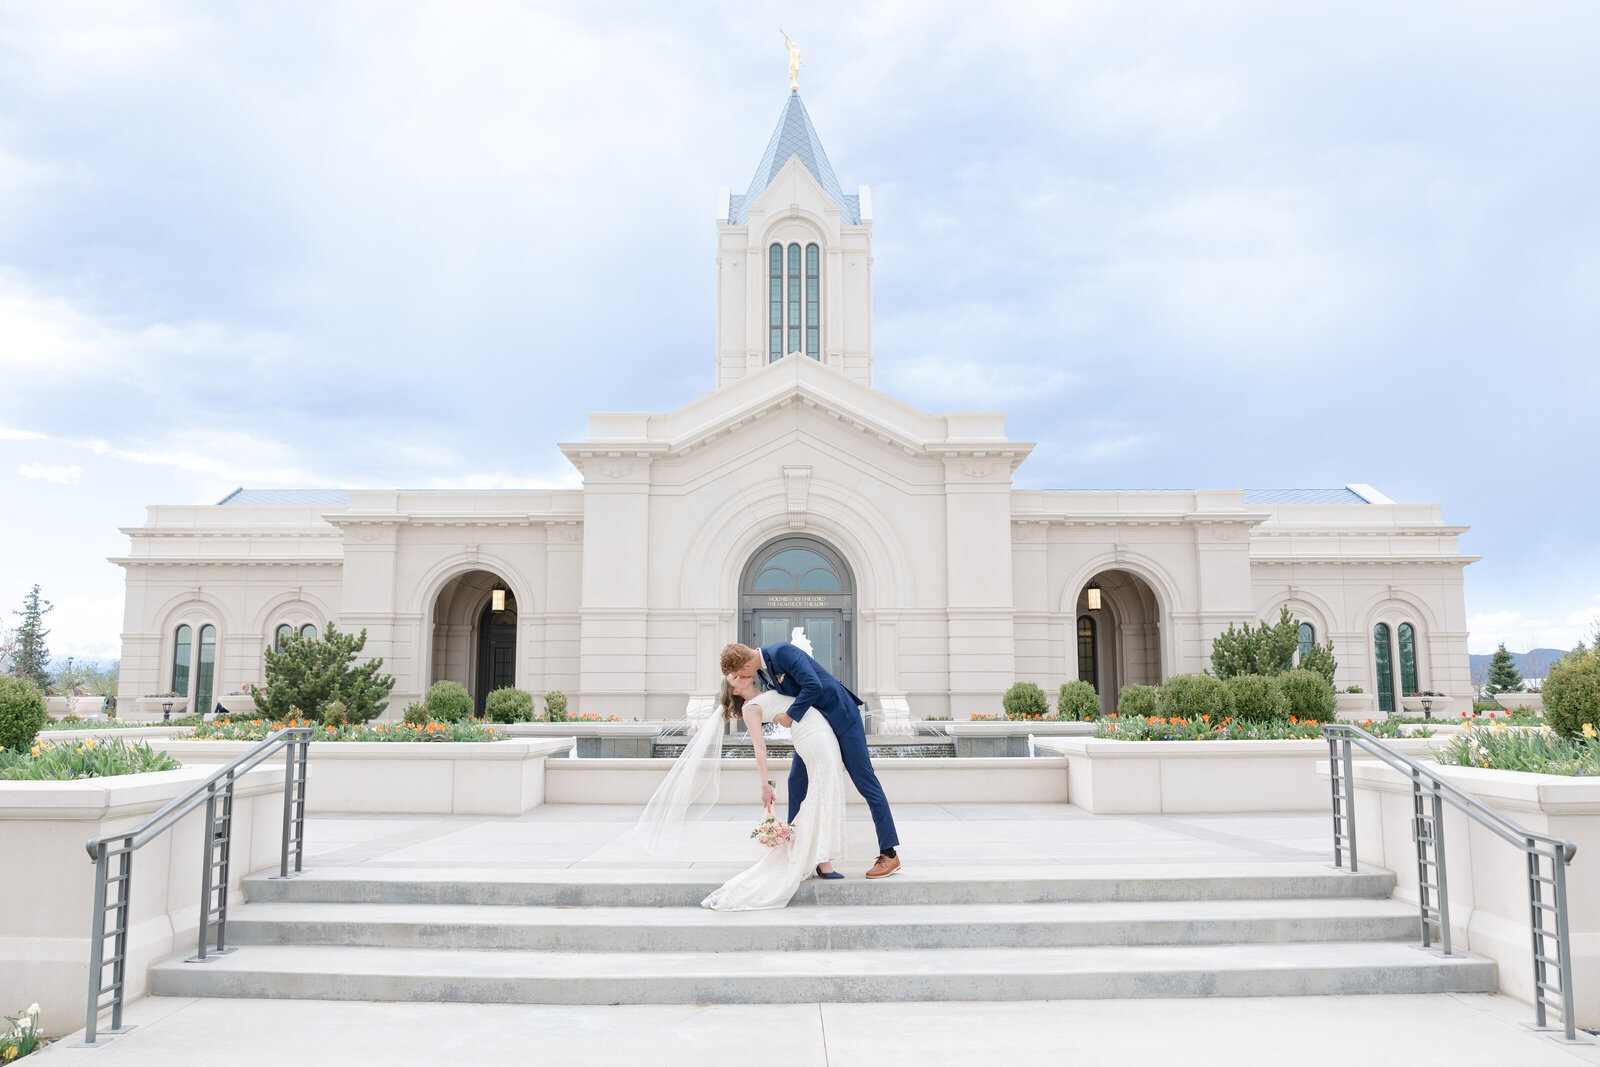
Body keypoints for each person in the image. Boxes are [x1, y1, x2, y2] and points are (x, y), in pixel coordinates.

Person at [721, 641, 901, 879]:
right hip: (816, 728)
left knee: (865, 782)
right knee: (796, 781)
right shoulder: (763, 673)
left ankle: (889, 853)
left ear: (746, 665)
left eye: (739, 673)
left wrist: (789, 715)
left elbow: (813, 685)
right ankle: (798, 849)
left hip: (841, 716)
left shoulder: (783, 652)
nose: (742, 677)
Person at [698, 672, 846, 911]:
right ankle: (821, 859)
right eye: (734, 677)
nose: (741, 674)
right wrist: (764, 784)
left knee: (827, 787)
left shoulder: (766, 687)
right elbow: (760, 747)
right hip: (809, 735)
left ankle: (817, 854)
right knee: (823, 788)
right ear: (735, 690)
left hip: (818, 728)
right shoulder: (749, 708)